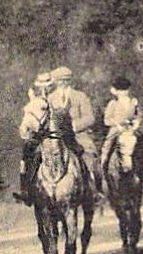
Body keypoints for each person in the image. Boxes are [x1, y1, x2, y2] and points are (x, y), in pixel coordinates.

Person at [48, 66, 101, 198]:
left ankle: (94, 189)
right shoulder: (50, 98)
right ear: (55, 82)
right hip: (56, 136)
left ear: (70, 81)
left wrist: (73, 126)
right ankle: (35, 190)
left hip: (78, 135)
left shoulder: (80, 96)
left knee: (90, 156)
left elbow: (90, 118)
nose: (63, 83)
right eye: (60, 80)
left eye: (66, 80)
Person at [12, 71, 54, 205]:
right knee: (25, 157)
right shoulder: (35, 98)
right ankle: (25, 189)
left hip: (56, 134)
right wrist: (28, 131)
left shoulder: (55, 97)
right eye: (41, 84)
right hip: (38, 136)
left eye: (47, 84)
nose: (44, 87)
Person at [99, 76, 142, 170]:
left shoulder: (133, 102)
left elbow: (138, 115)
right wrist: (118, 124)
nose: (124, 92)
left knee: (141, 141)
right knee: (108, 143)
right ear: (116, 91)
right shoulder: (113, 103)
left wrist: (137, 122)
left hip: (131, 128)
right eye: (121, 90)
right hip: (117, 128)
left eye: (125, 90)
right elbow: (107, 120)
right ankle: (104, 162)